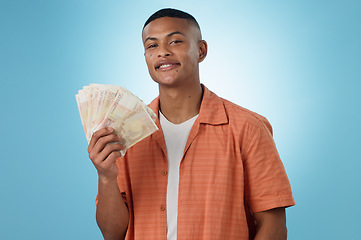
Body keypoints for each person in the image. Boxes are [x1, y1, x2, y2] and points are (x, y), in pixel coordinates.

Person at [87, 8, 295, 240]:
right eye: (152, 45)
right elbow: (112, 233)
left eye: (175, 41)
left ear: (201, 50)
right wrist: (105, 176)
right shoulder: (123, 134)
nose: (163, 52)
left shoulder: (248, 128)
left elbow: (273, 226)